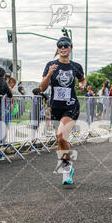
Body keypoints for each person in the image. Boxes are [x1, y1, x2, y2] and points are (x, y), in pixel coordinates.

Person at [40, 36, 86, 185]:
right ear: (58, 48)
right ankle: (67, 168)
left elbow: (82, 80)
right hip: (55, 107)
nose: (63, 47)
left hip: (71, 105)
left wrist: (82, 85)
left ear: (71, 48)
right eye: (60, 45)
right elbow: (42, 87)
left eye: (66, 45)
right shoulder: (51, 65)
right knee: (60, 141)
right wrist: (49, 74)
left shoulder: (76, 66)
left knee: (61, 135)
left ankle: (66, 169)